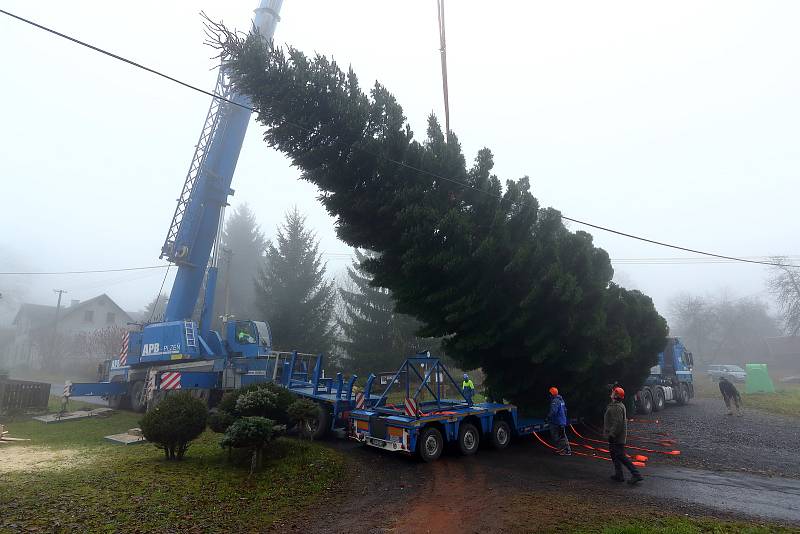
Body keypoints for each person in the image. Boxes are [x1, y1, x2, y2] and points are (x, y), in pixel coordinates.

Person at [604, 386, 643, 484]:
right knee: (614, 455)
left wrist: (612, 435)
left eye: (613, 392)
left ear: (616, 395)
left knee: (621, 456)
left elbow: (617, 423)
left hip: (616, 436)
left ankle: (636, 474)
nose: (611, 393)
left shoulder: (616, 407)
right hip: (616, 436)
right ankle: (619, 475)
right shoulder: (617, 405)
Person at [547, 386, 571, 456]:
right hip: (561, 421)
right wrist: (564, 419)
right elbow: (565, 410)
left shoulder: (555, 401)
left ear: (552, 394)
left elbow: (553, 411)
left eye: (549, 393)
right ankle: (563, 449)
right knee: (562, 435)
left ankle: (566, 450)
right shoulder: (561, 400)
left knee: (557, 436)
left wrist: (548, 417)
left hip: (556, 422)